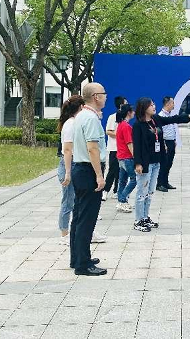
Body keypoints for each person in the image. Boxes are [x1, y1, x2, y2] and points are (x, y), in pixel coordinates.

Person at [132, 97, 190, 232]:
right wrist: (138, 163)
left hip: (156, 162)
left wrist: (189, 117)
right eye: (151, 105)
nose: (154, 106)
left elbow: (172, 119)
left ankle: (145, 217)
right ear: (144, 108)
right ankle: (138, 220)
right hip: (145, 164)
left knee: (150, 192)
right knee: (141, 192)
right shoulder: (138, 125)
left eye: (153, 104)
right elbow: (137, 146)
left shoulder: (155, 120)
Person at [70, 82, 108, 276]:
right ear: (95, 97)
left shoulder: (81, 116)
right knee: (86, 220)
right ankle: (83, 264)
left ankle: (77, 257)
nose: (106, 96)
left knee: (78, 217)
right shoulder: (91, 118)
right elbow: (93, 148)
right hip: (88, 171)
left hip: (80, 169)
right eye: (103, 93)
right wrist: (99, 175)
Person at [56, 95, 84, 245]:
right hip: (69, 164)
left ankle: (76, 231)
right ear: (80, 107)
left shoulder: (74, 122)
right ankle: (64, 233)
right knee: (68, 201)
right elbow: (67, 150)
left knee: (76, 200)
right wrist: (68, 172)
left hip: (74, 163)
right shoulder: (70, 124)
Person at [102, 95, 127, 201]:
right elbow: (108, 131)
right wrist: (120, 135)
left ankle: (116, 191)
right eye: (126, 103)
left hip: (123, 149)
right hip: (114, 148)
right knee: (112, 170)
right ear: (121, 105)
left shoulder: (125, 118)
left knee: (121, 171)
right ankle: (105, 191)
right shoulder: (112, 117)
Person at [116, 104, 137, 213]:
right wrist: (135, 157)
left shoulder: (121, 124)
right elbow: (129, 143)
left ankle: (121, 202)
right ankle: (122, 199)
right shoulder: (126, 126)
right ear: (129, 112)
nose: (134, 113)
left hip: (121, 157)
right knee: (134, 180)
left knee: (122, 181)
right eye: (133, 111)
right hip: (127, 157)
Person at [157, 96, 179, 192]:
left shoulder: (170, 115)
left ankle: (165, 182)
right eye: (172, 103)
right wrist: (164, 144)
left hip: (171, 141)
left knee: (169, 163)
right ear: (167, 104)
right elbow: (160, 132)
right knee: (163, 164)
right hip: (165, 142)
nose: (174, 105)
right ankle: (159, 184)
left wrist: (174, 140)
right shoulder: (160, 116)